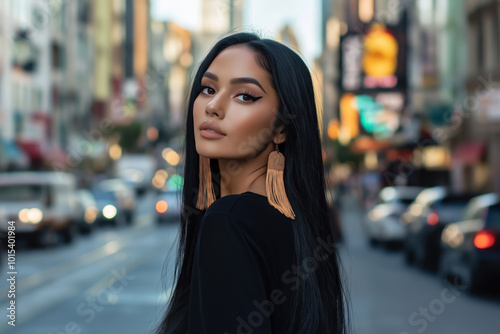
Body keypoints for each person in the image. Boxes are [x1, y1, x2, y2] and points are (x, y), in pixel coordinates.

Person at [154, 32, 350, 334]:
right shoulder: (297, 225)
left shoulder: (228, 220)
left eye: (245, 96)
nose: (213, 106)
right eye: (207, 88)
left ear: (281, 128)